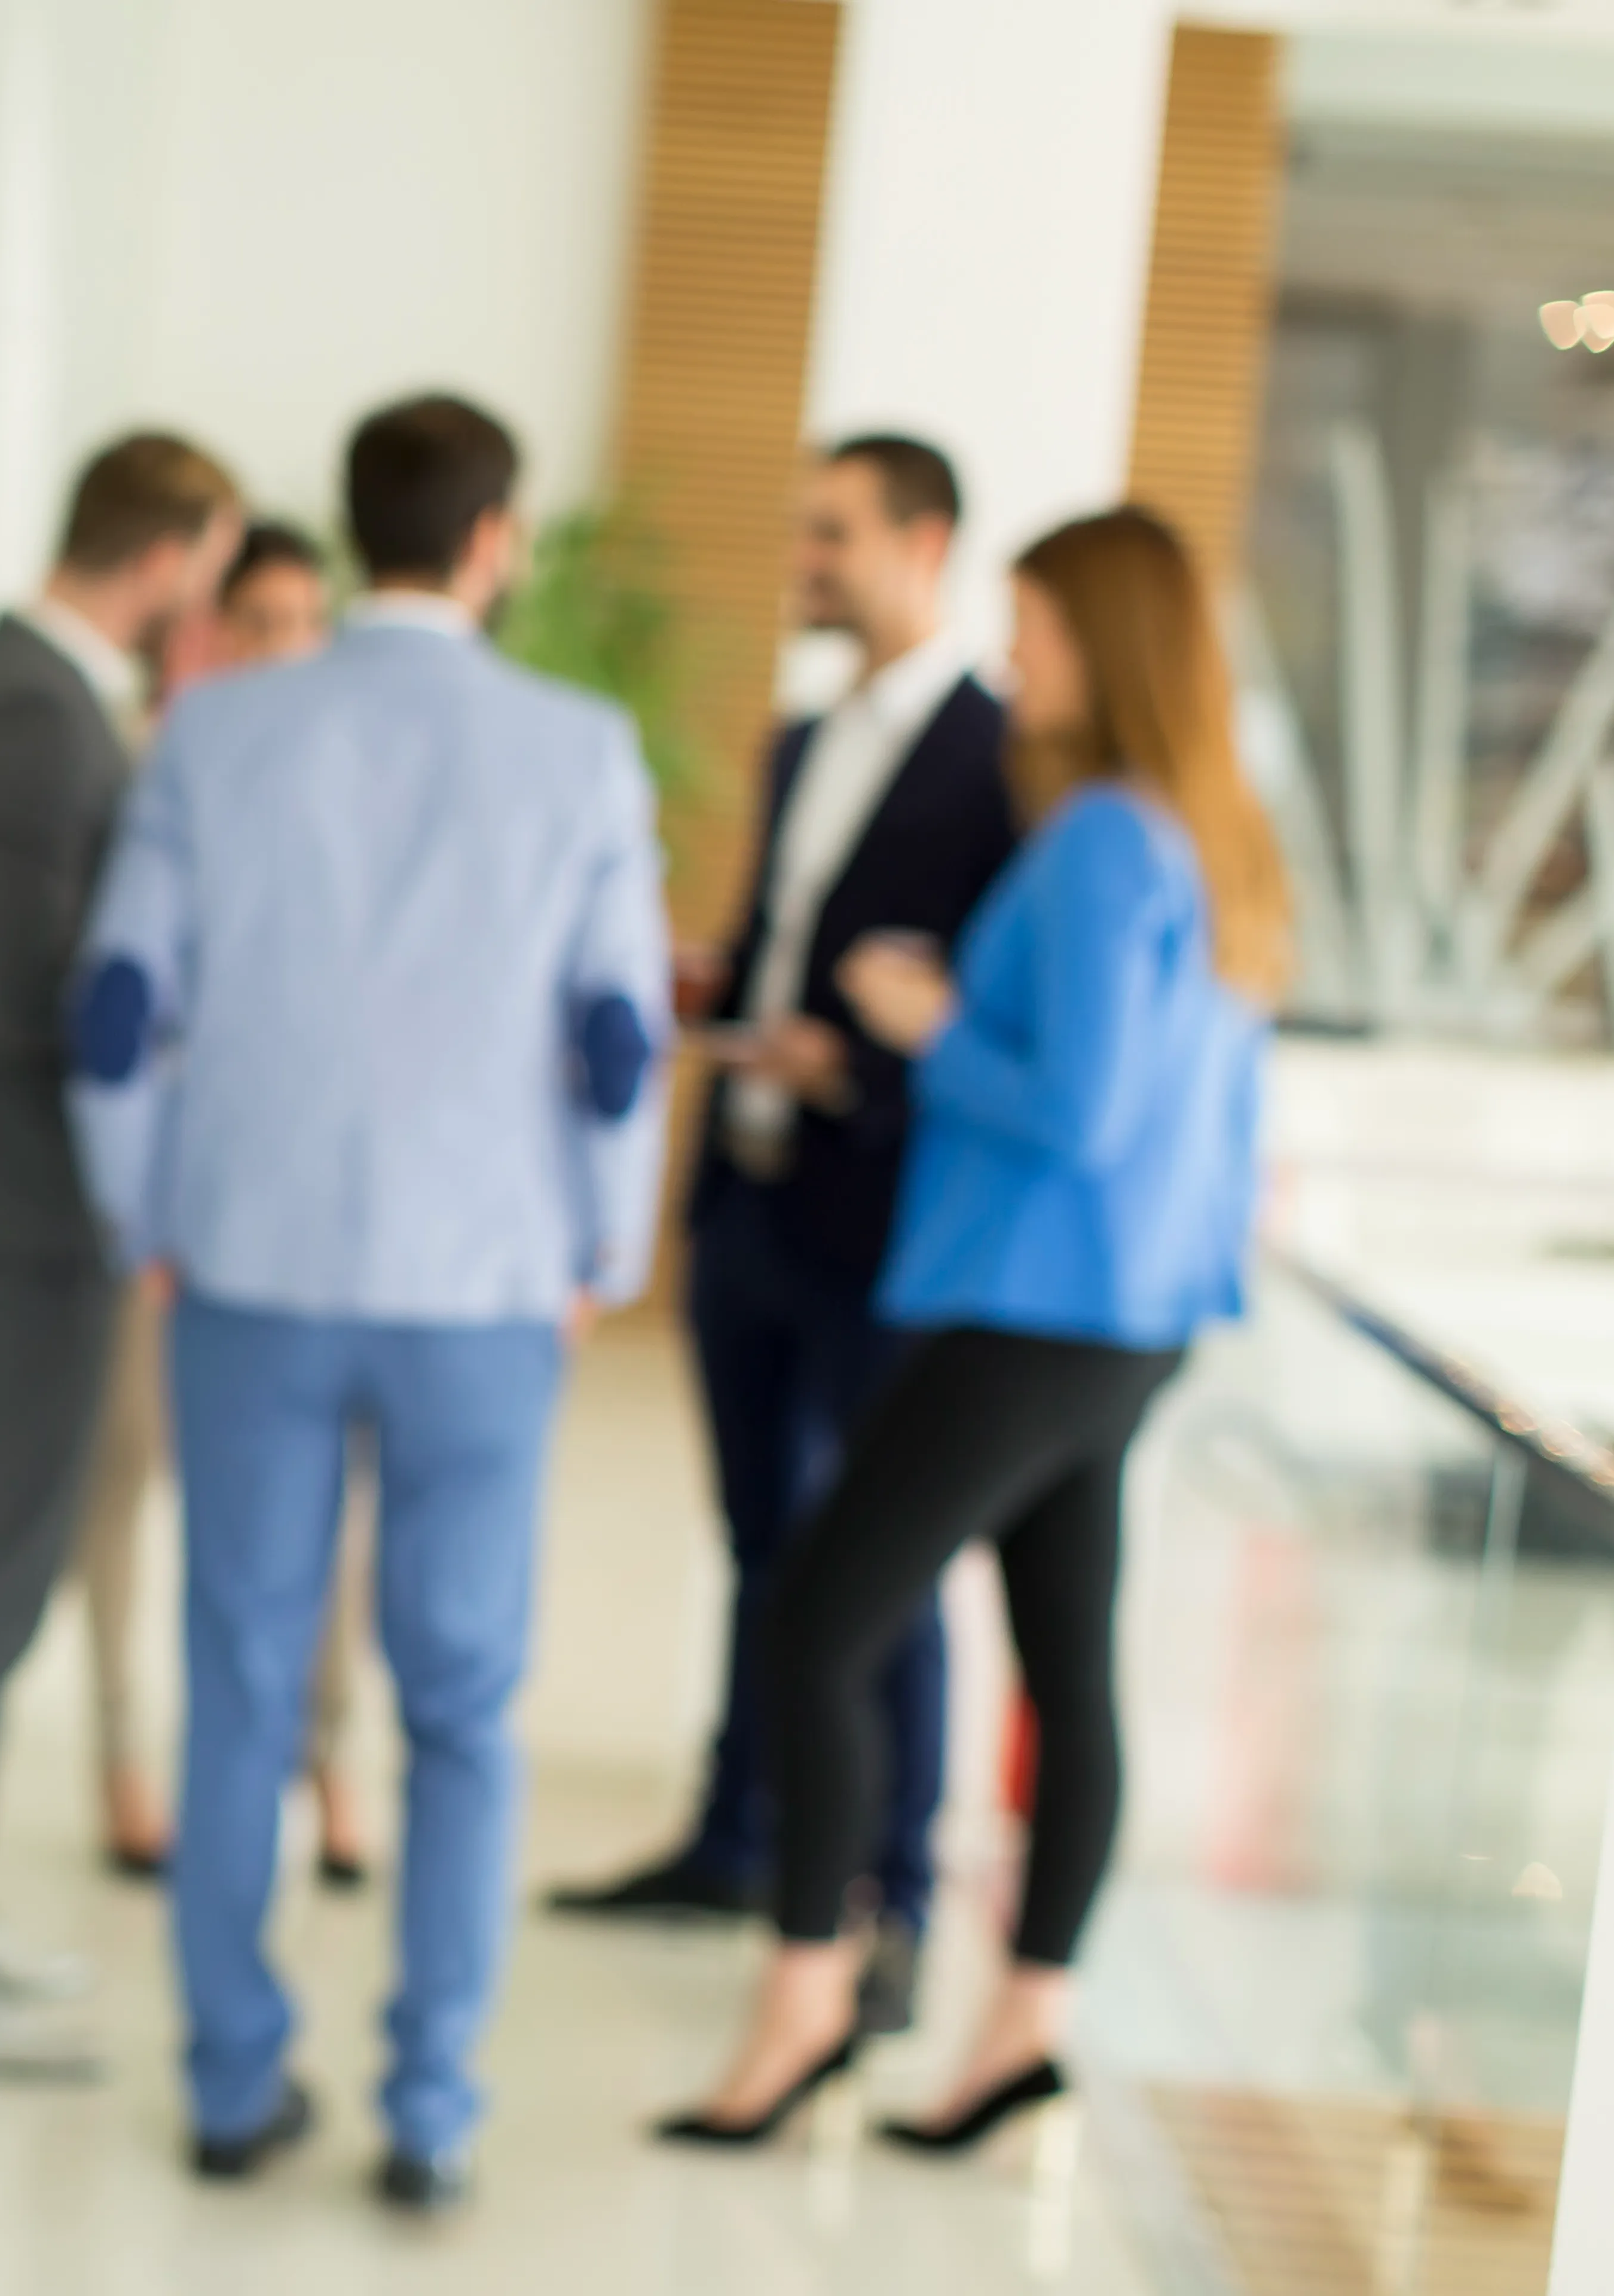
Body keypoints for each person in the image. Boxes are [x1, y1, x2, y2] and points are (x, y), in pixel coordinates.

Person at [71, 395, 671, 2210]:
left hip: (248, 1265)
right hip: (484, 1286)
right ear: (497, 538)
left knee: (242, 1686)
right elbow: (622, 1045)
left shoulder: (217, 732)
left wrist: (143, 1216)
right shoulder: (581, 752)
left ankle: (235, 2082)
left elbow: (114, 1007)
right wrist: (605, 1252)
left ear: (354, 521)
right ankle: (431, 2110)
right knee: (466, 1705)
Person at [658, 505, 1284, 2153]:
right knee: (1067, 1663)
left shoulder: (1095, 844)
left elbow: (1075, 1109)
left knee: (816, 1621)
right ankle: (1025, 2024)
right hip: (1131, 1317)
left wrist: (925, 1020)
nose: (1019, 660)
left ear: (1114, 647)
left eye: (1044, 630)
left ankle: (807, 1998)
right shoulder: (1206, 840)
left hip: (1030, 1307)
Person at [548, 437, 1017, 2042]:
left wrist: (864, 1063)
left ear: (923, 542)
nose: (803, 559)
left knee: (880, 1576)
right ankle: (740, 1838)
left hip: (881, 1219)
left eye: (833, 534)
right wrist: (718, 989)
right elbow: (790, 943)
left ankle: (894, 1897)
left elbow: (982, 1004)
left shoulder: (1000, 755)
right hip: (748, 1202)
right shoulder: (805, 736)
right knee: (760, 1549)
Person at [0, 433, 239, 2075]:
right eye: (207, 576)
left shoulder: (47, 695)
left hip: (35, 1188)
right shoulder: (29, 707)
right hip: (32, 1193)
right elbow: (32, 998)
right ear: (167, 558)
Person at [70, 517, 374, 1886]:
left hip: (314, 1212)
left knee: (324, 1507)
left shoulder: (370, 790)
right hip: (171, 1203)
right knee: (123, 1480)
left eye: (303, 624)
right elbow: (120, 1008)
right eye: (252, 623)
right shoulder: (163, 770)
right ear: (211, 635)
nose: (276, 650)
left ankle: (329, 1755)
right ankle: (127, 1761)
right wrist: (139, 1205)